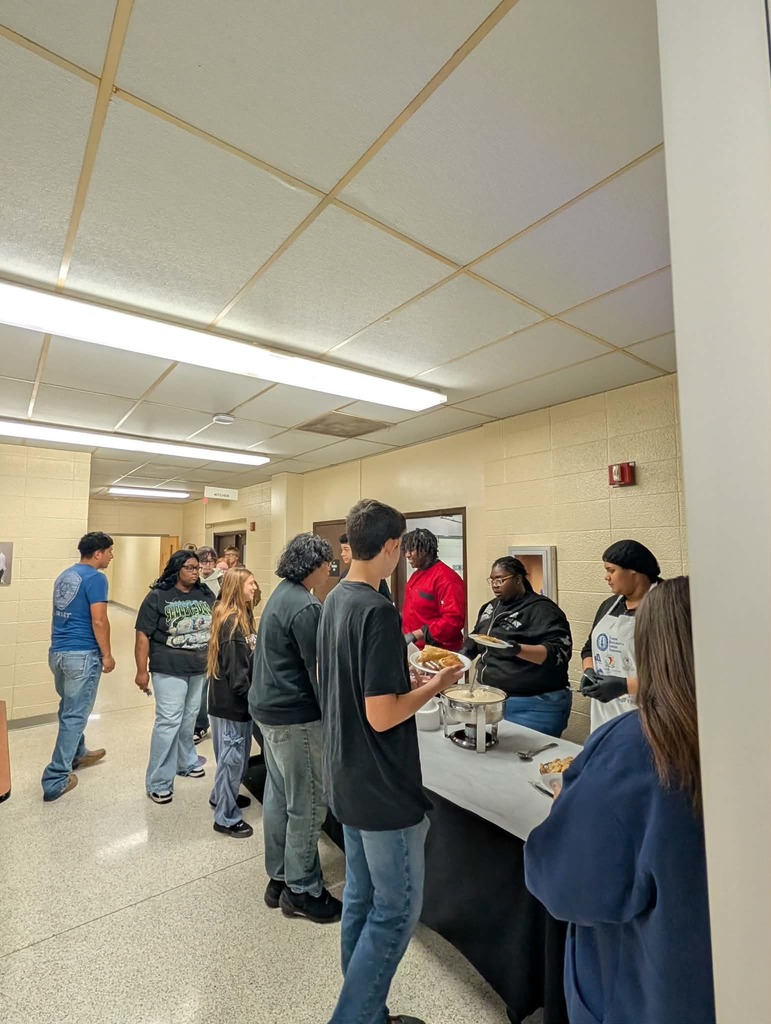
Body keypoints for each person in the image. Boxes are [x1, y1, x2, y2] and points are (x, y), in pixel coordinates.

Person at [525, 578, 716, 1024]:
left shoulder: (636, 746)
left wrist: (566, 806)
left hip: (646, 989)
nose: (607, 576)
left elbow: (567, 883)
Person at [318, 499, 464, 1024]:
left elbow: (351, 682)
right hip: (382, 786)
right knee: (396, 910)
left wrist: (399, 672)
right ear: (391, 547)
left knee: (360, 895)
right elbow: (382, 716)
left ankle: (369, 1011)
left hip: (347, 775)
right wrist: (436, 684)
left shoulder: (337, 599)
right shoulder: (378, 610)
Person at [249, 533, 341, 923]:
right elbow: (319, 671)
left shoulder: (281, 594)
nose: (330, 569)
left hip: (267, 711)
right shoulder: (306, 607)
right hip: (295, 716)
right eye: (327, 563)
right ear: (314, 565)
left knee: (278, 795)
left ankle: (280, 876)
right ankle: (303, 889)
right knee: (307, 803)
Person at [134, 550, 216, 804]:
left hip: (198, 666)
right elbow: (142, 635)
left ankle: (186, 761)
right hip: (168, 666)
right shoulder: (158, 596)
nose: (196, 571)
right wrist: (140, 671)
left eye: (197, 567)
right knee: (169, 721)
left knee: (189, 717)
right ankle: (158, 780)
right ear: (177, 569)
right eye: (190, 567)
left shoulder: (205, 594)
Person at [461, 557, 573, 737]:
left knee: (528, 758)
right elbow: (477, 636)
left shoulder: (542, 609)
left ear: (518, 579)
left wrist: (516, 649)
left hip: (534, 705)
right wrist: (461, 656)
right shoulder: (490, 607)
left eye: (500, 580)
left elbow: (561, 652)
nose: (495, 585)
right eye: (492, 580)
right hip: (492, 699)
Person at [41, 532, 115, 801]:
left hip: (58, 653)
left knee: (68, 707)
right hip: (81, 655)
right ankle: (55, 778)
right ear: (97, 553)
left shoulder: (66, 575)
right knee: (76, 714)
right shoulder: (96, 578)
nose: (111, 556)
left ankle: (77, 753)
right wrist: (107, 654)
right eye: (109, 551)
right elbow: (99, 620)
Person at [579, 540, 662, 733]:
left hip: (651, 716)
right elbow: (588, 648)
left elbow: (678, 675)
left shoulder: (666, 606)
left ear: (633, 571)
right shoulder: (609, 605)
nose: (606, 577)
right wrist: (589, 671)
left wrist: (624, 685)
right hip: (606, 713)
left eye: (611, 570)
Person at [207, 568, 260, 839]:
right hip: (232, 705)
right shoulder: (232, 624)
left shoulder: (242, 617)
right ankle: (225, 817)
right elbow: (238, 677)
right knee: (232, 759)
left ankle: (221, 796)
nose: (255, 588)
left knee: (235, 760)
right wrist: (259, 700)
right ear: (238, 588)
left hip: (232, 704)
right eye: (250, 584)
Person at [401, 528, 465, 650]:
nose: (407, 555)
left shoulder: (447, 579)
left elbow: (453, 621)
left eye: (411, 550)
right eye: (406, 550)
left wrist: (417, 634)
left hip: (440, 649)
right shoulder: (416, 575)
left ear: (425, 551)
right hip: (414, 647)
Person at [193, 545, 224, 744]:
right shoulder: (192, 580)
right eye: (203, 562)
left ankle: (217, 719)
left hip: (218, 634)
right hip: (198, 637)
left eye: (211, 562)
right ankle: (200, 724)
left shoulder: (223, 579)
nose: (207, 566)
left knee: (217, 679)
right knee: (201, 683)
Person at [339, 531, 392, 599]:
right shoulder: (344, 576)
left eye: (346, 549)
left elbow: (386, 600)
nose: (342, 554)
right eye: (342, 550)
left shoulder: (373, 574)